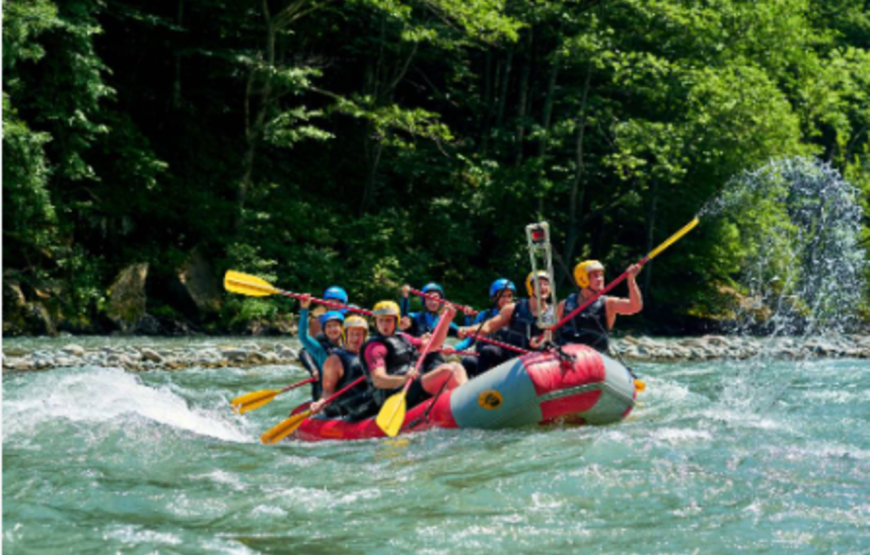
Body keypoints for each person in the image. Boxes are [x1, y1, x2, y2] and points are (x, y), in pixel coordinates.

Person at [362, 301, 468, 410]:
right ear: (375, 322)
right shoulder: (374, 347)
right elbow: (378, 380)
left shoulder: (404, 338)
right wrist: (403, 379)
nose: (384, 325)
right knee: (447, 371)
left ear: (396, 321)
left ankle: (467, 401)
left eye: (388, 320)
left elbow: (434, 345)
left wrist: (446, 320)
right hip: (395, 392)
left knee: (456, 366)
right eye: (381, 320)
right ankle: (468, 405)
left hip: (413, 384)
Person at [556, 260, 643, 353]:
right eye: (595, 276)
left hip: (596, 355)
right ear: (582, 279)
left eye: (601, 275)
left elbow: (635, 307)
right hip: (567, 353)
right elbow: (552, 331)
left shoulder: (608, 303)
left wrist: (631, 280)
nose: (600, 279)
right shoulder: (564, 304)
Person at [457, 271, 555, 352]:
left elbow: (555, 338)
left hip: (537, 357)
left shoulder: (555, 312)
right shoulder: (510, 310)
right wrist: (467, 329)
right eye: (539, 284)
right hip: (511, 356)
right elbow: (487, 327)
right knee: (486, 352)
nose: (542, 287)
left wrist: (543, 341)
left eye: (546, 284)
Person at [310, 315, 377, 420]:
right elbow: (327, 391)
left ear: (365, 336)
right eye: (352, 334)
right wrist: (320, 403)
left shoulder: (368, 354)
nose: (355, 339)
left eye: (359, 334)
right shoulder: (335, 359)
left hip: (365, 400)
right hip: (347, 407)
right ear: (345, 335)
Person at [450, 278, 518, 376]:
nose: (506, 300)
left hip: (503, 357)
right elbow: (471, 339)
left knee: (488, 351)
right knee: (468, 361)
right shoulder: (483, 315)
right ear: (494, 297)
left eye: (509, 296)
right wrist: (454, 348)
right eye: (502, 296)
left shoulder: (516, 316)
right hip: (483, 355)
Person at [297, 294, 345, 400]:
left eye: (336, 325)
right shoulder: (320, 350)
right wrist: (304, 309)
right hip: (328, 397)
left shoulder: (349, 347)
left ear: (342, 328)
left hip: (346, 395)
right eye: (329, 326)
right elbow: (303, 336)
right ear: (324, 330)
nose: (333, 329)